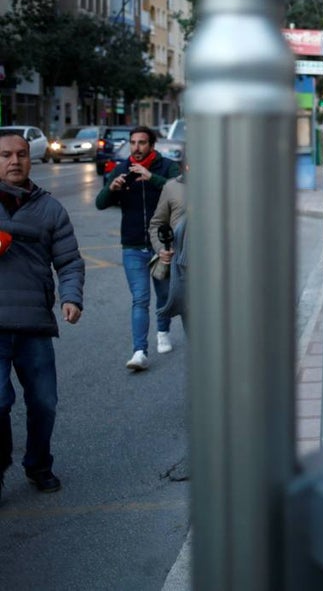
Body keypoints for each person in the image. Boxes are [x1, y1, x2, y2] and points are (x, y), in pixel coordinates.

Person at [0, 131, 84, 499]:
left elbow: (69, 262)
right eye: (5, 155)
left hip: (34, 324)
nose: (14, 161)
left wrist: (71, 297)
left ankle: (38, 464)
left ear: (30, 159)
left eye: (20, 154)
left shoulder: (50, 209)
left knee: (44, 403)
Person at [96, 125, 181, 371]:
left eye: (142, 142)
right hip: (132, 245)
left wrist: (150, 177)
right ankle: (139, 352)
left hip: (163, 245)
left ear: (151, 145)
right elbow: (100, 203)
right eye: (133, 142)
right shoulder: (122, 169)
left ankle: (163, 331)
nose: (136, 147)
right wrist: (111, 189)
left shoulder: (167, 167)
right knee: (140, 299)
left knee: (164, 295)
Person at [149, 161, 186, 322]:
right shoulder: (172, 187)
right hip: (183, 265)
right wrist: (160, 249)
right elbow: (157, 223)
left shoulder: (224, 184)